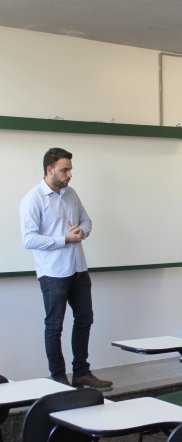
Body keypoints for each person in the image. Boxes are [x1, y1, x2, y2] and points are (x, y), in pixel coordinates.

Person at [19, 148, 112, 389]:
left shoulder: (71, 194)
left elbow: (86, 220)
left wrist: (82, 231)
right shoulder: (33, 199)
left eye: (70, 169)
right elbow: (29, 239)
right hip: (53, 273)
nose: (69, 174)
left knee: (85, 320)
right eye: (65, 170)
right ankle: (59, 379)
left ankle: (81, 373)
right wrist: (64, 239)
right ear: (50, 170)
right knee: (54, 326)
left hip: (78, 268)